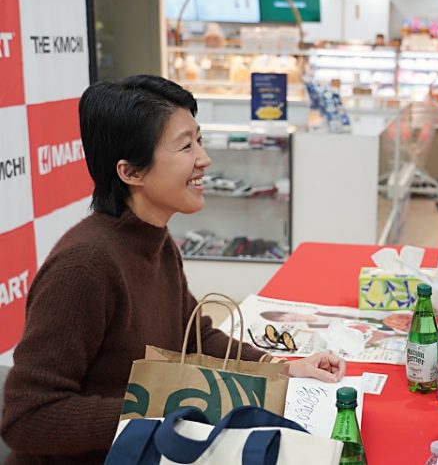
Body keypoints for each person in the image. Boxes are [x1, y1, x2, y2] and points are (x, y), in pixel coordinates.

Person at [0, 75, 346, 464]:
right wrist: (162, 409)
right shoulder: (85, 267)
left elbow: (193, 334)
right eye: (185, 145)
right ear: (131, 172)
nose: (204, 158)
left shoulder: (154, 238)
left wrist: (281, 368)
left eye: (199, 140)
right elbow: (26, 418)